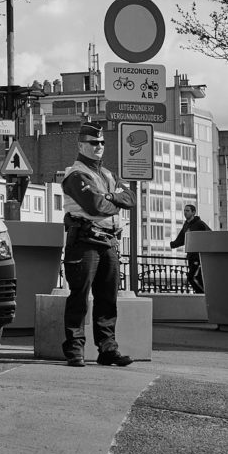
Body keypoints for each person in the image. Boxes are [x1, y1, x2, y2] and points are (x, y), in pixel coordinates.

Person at [61, 122, 135, 367]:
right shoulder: (76, 174)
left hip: (109, 242)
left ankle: (107, 349)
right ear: (82, 145)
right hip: (85, 241)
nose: (99, 147)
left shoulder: (108, 174)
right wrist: (114, 200)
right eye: (94, 143)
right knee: (79, 297)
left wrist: (110, 196)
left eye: (102, 143)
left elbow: (131, 198)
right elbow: (95, 205)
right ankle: (74, 349)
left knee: (107, 299)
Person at [169, 204, 210, 293]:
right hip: (190, 256)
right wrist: (172, 244)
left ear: (193, 212)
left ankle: (204, 295)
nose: (185, 212)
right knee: (197, 277)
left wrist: (204, 249)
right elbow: (181, 239)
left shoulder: (200, 224)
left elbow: (210, 235)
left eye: (187, 211)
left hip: (198, 256)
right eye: (184, 211)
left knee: (192, 277)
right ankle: (203, 294)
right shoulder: (186, 225)